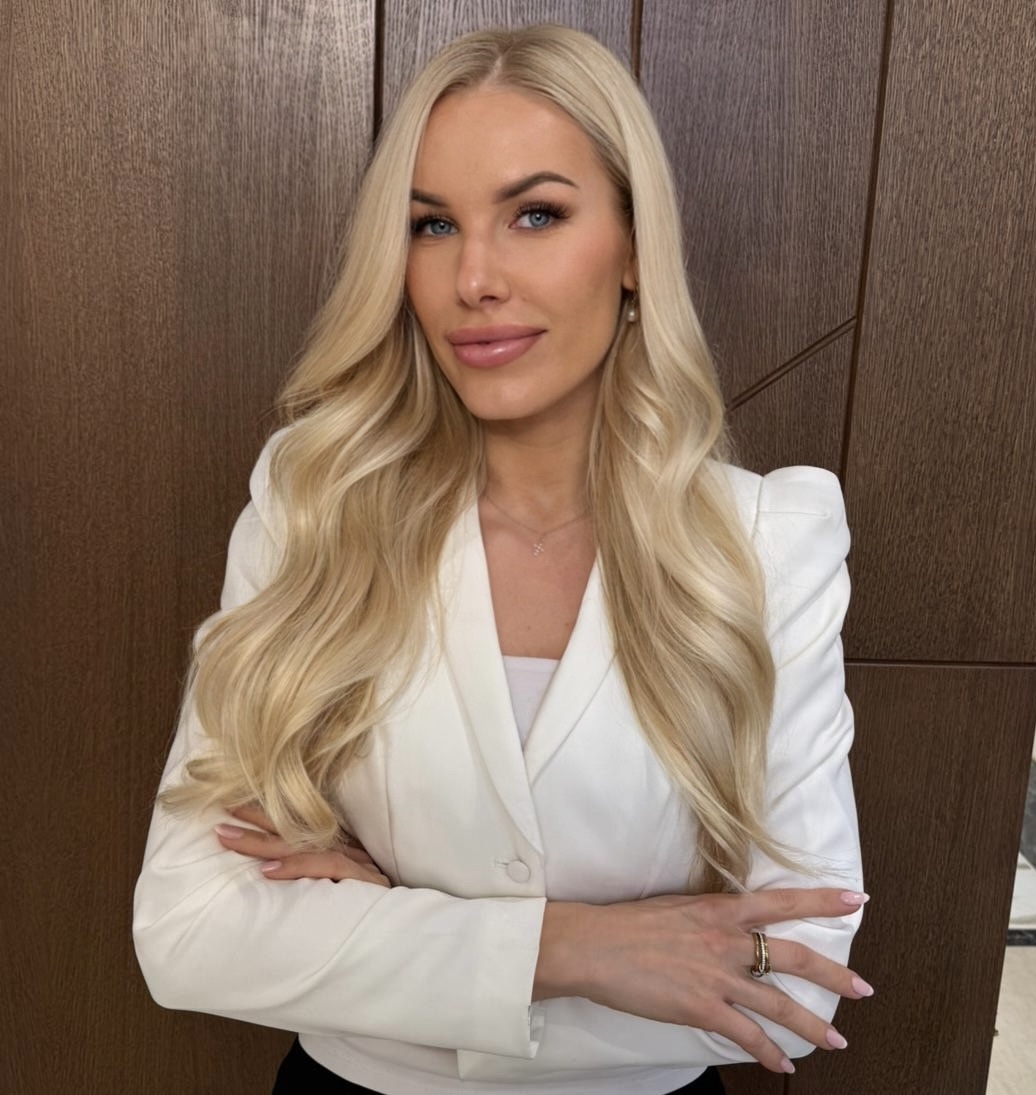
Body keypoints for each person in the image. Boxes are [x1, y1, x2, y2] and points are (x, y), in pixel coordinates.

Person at [134, 23, 868, 1095]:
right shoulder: (315, 505)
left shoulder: (767, 543)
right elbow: (190, 929)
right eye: (432, 225)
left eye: (536, 214)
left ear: (632, 248)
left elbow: (794, 990)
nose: (473, 277)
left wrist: (383, 932)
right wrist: (576, 948)